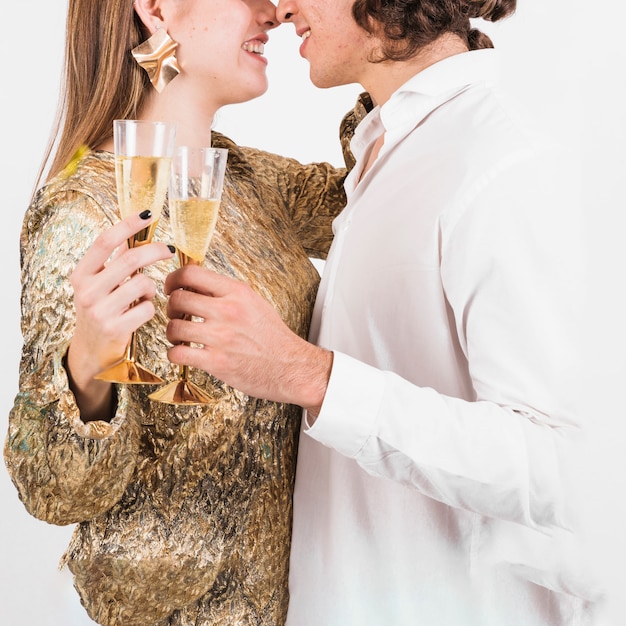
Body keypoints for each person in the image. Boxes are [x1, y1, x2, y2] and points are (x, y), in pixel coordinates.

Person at [158, 0, 604, 624]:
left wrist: (308, 375)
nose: (281, 8)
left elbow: (571, 468)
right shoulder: (386, 149)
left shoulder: (499, 159)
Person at [3, 0, 367, 624]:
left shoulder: (249, 181)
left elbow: (371, 200)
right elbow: (54, 492)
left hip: (303, 601)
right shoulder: (81, 213)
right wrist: (88, 366)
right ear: (154, 10)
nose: (273, 11)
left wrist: (387, 30)